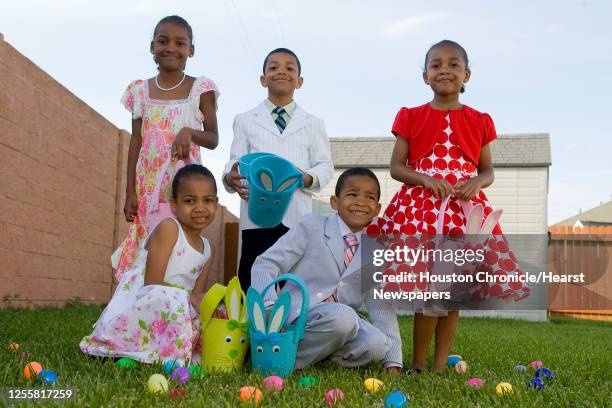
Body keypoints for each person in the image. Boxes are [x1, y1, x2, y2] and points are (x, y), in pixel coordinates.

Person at [365, 40, 529, 373]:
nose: (445, 70)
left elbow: (488, 171)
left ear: (466, 74)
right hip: (422, 213)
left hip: (463, 213)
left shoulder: (480, 120)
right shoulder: (411, 116)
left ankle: (440, 366)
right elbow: (397, 168)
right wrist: (424, 179)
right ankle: (419, 363)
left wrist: (476, 183)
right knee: (429, 290)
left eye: (454, 65)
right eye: (436, 65)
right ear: (425, 75)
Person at [251, 168, 402, 374]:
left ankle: (320, 360)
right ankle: (280, 358)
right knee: (344, 317)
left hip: (340, 326)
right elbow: (266, 263)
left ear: (377, 209)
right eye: (352, 194)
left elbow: (381, 305)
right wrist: (269, 307)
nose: (360, 201)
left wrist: (393, 362)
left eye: (370, 197)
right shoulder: (311, 226)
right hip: (298, 318)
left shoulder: (376, 249)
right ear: (334, 201)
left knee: (378, 345)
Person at [114, 15, 219, 280]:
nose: (171, 47)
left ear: (190, 50)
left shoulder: (200, 89)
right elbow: (136, 142)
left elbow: (213, 138)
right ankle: (135, 309)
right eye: (163, 41)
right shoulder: (140, 91)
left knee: (179, 243)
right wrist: (130, 191)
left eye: (180, 43)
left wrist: (188, 132)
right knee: (146, 247)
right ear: (152, 47)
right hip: (148, 184)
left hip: (184, 184)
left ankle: (175, 307)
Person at [81, 165, 218, 364]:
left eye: (208, 200)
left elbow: (197, 296)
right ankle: (158, 354)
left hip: (176, 306)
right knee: (172, 298)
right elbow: (152, 282)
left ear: (216, 203)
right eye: (189, 200)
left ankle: (170, 352)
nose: (200, 207)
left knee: (208, 314)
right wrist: (188, 299)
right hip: (148, 297)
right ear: (174, 205)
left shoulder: (208, 249)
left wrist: (203, 303)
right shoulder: (170, 228)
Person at [222, 48, 334, 292]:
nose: (281, 71)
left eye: (289, 68)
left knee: (291, 284)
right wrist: (230, 176)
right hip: (257, 215)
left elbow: (325, 166)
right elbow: (235, 162)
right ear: (263, 79)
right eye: (273, 67)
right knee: (253, 282)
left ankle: (290, 329)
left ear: (300, 81)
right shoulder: (245, 119)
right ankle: (254, 329)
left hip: (296, 217)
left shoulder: (313, 124)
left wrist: (305, 178)